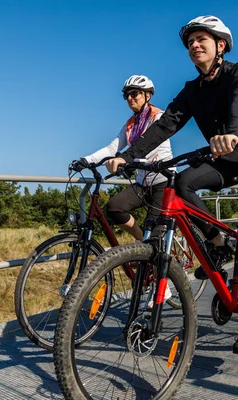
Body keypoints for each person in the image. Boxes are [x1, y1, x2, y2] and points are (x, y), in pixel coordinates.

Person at [105, 16, 238, 356]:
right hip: (225, 160)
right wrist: (129, 155)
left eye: (202, 39)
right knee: (183, 182)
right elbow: (166, 125)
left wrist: (231, 132)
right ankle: (217, 242)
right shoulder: (191, 91)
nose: (195, 46)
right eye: (190, 42)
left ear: (221, 46)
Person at [70, 75, 174, 303]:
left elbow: (149, 145)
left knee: (155, 236)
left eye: (134, 93)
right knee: (115, 207)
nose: (129, 98)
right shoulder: (130, 124)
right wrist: (85, 160)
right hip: (142, 182)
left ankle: (161, 283)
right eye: (126, 95)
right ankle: (140, 240)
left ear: (147, 96)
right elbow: (112, 147)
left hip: (162, 182)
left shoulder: (159, 117)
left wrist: (126, 160)